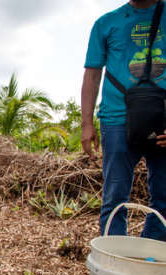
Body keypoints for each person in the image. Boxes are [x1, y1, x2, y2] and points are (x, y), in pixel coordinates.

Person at [81, 0, 166, 241]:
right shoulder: (106, 23)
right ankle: (114, 262)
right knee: (114, 199)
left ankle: (151, 261)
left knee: (163, 198)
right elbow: (93, 73)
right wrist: (87, 124)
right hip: (117, 120)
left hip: (163, 119)